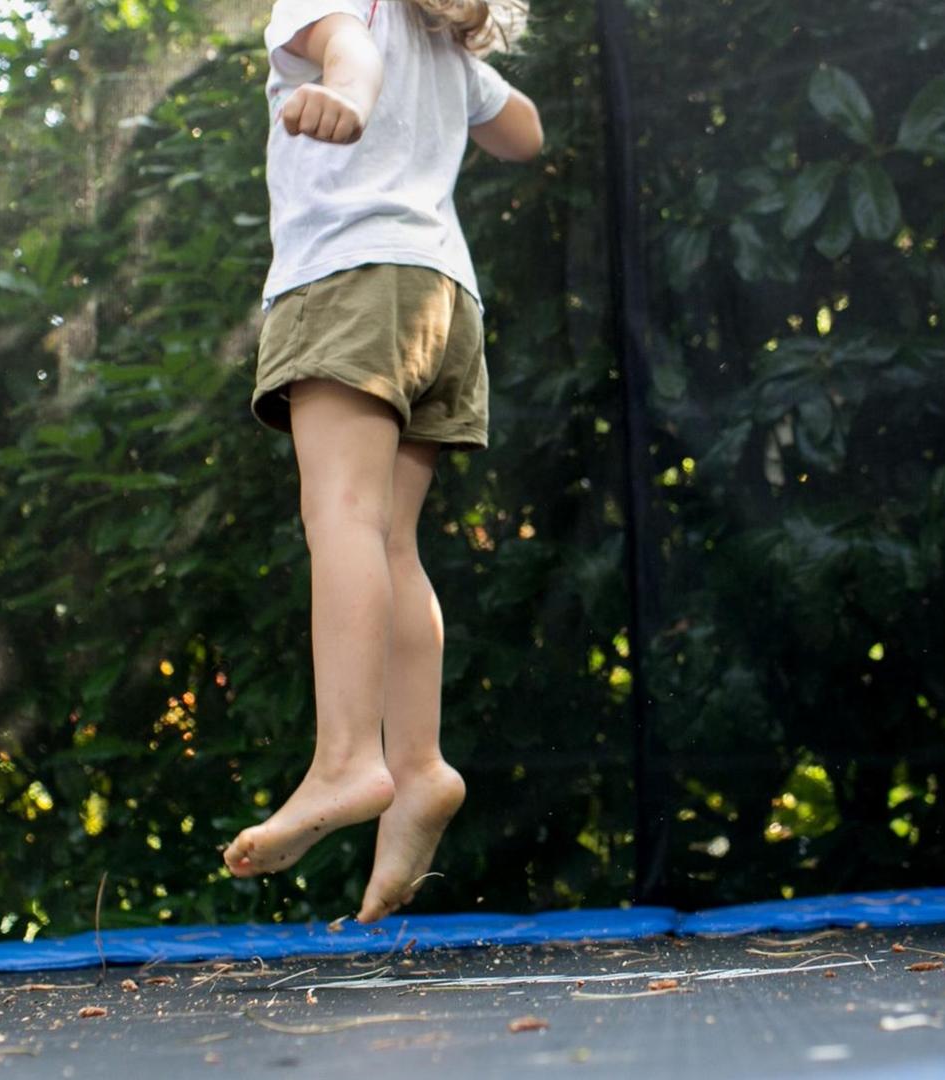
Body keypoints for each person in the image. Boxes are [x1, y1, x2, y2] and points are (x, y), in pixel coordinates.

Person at [221, 0, 543, 925]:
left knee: (344, 520)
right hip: (442, 296)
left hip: (351, 277)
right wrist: (463, 88)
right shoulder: (445, 39)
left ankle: (347, 759)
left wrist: (353, 98)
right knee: (391, 541)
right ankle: (417, 768)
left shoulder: (336, 4)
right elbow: (523, 130)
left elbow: (350, 51)